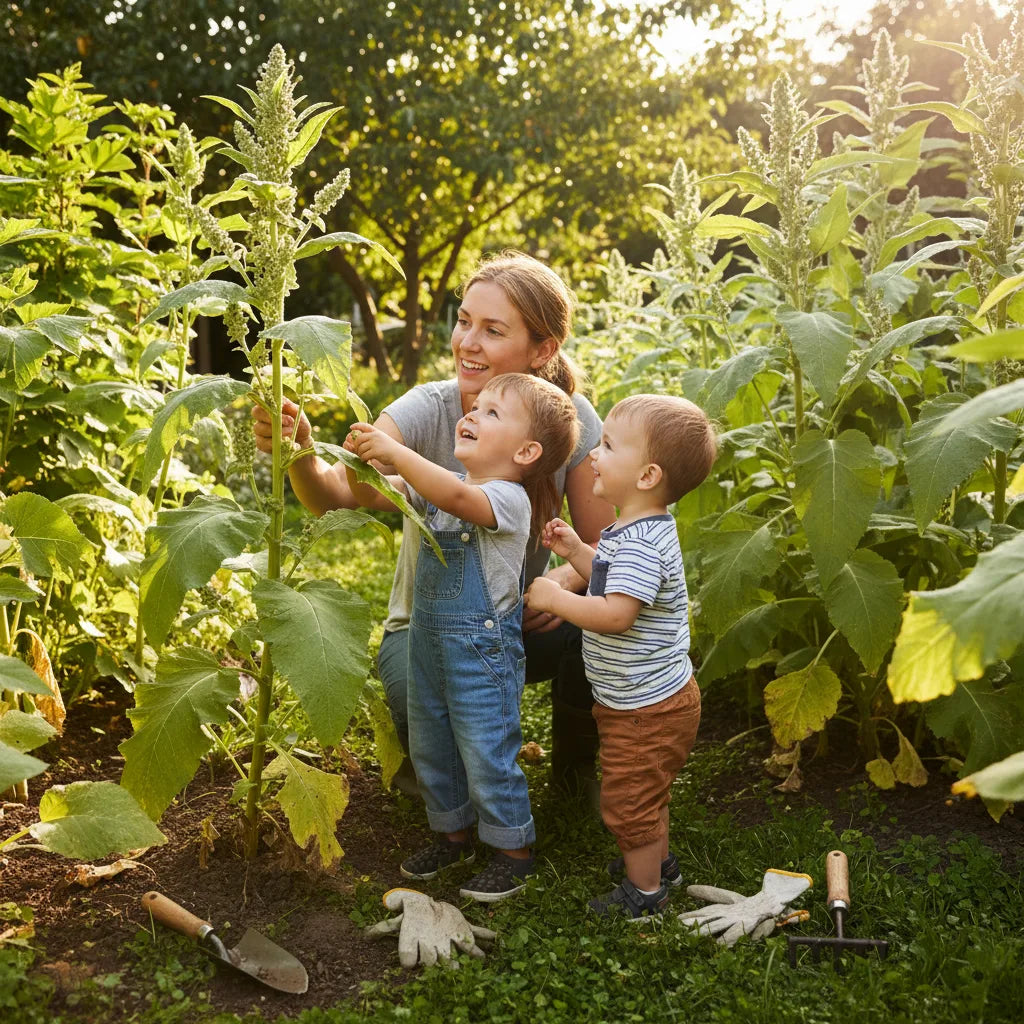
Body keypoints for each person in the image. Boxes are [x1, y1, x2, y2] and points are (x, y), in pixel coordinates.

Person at [252, 252, 615, 796]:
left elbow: (608, 547)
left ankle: (575, 768)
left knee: (602, 625)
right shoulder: (428, 407)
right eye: (464, 320)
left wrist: (564, 583)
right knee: (417, 707)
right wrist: (302, 451)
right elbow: (335, 493)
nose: (467, 342)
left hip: (518, 622)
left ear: (543, 350)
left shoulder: (572, 419)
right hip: (429, 629)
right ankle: (432, 761)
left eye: (493, 330)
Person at [345, 372, 580, 900]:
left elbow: (451, 494)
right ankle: (452, 836)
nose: (471, 414)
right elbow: (399, 490)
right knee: (433, 745)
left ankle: (512, 852)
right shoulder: (444, 488)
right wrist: (362, 461)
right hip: (428, 644)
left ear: (527, 451)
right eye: (475, 407)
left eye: (493, 412)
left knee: (485, 747)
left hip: (482, 651)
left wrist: (397, 453)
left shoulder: (509, 500)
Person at [524, 394, 717, 919]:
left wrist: (556, 596)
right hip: (643, 700)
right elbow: (612, 576)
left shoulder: (638, 542)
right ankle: (655, 860)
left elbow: (616, 614)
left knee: (629, 801)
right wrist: (575, 553)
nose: (592, 456)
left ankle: (646, 894)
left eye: (607, 446)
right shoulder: (638, 526)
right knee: (645, 789)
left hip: (646, 710)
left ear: (648, 474)